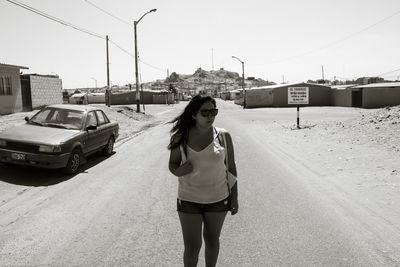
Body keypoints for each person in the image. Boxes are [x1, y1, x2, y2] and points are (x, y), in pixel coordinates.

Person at [168, 94, 239, 267]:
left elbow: (231, 168)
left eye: (213, 111)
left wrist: (234, 197)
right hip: (188, 199)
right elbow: (172, 164)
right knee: (192, 247)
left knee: (212, 240)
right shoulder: (180, 137)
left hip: (218, 199)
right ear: (194, 114)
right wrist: (178, 171)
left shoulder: (223, 136)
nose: (210, 116)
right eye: (205, 112)